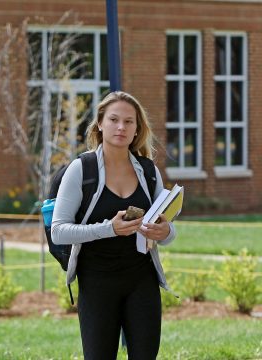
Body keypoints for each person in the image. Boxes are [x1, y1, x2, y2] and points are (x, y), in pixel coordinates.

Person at [51, 91, 176, 359]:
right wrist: (109, 228)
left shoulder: (148, 171)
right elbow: (59, 231)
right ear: (100, 123)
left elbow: (166, 227)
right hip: (96, 281)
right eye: (114, 119)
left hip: (141, 279)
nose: (121, 127)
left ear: (137, 129)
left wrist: (165, 232)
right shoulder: (80, 169)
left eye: (129, 122)